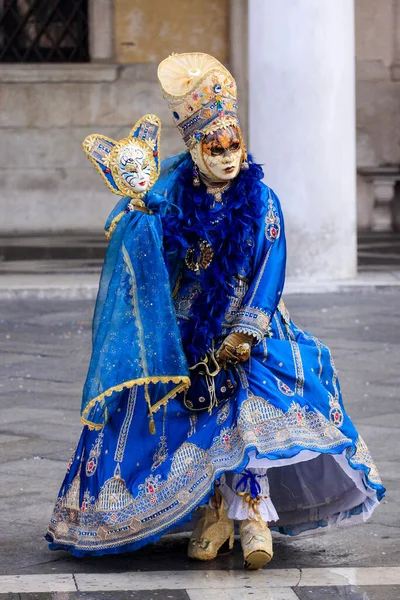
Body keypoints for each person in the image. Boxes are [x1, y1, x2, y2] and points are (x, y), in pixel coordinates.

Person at [46, 53, 384, 570]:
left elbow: (271, 267)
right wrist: (141, 226)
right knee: (194, 418)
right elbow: (157, 263)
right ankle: (212, 515)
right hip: (187, 329)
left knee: (247, 417)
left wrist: (246, 331)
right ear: (194, 148)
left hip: (250, 324)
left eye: (234, 145)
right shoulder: (173, 198)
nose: (227, 158)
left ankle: (251, 516)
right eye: (215, 147)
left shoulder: (263, 199)